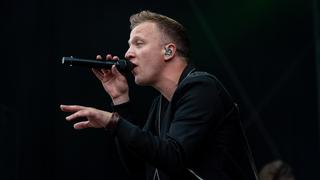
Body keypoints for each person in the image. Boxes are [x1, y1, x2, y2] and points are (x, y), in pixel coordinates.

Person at [60, 10, 255, 180]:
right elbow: (138, 166)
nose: (127, 53)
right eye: (129, 45)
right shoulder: (160, 104)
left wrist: (112, 121)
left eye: (138, 43)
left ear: (169, 51)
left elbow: (173, 156)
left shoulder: (202, 88)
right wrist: (120, 100)